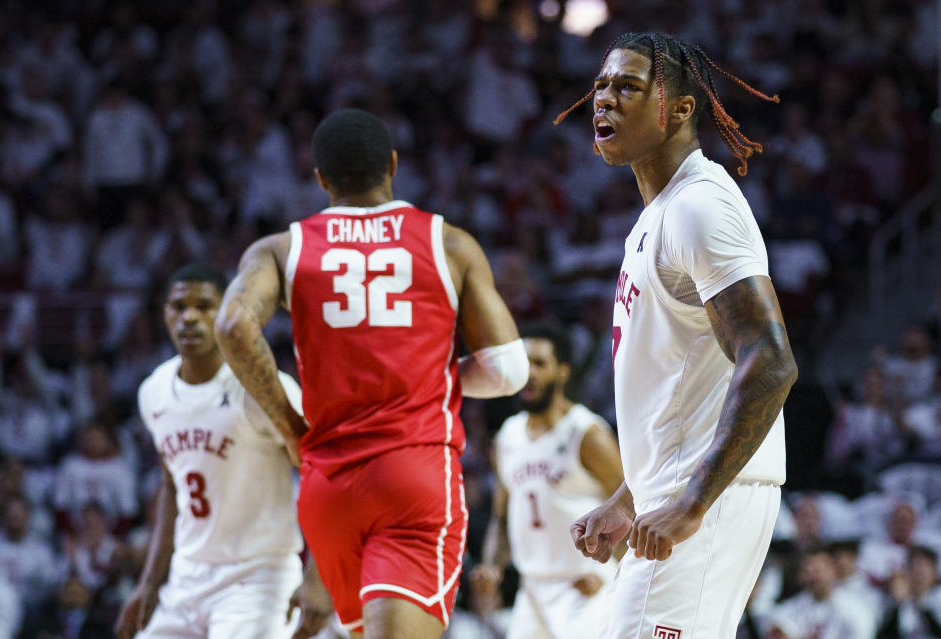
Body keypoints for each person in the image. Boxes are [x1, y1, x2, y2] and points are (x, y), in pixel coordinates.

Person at [215, 108, 528, 639]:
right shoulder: (446, 242)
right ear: (393, 165)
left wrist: (290, 425)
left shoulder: (281, 248)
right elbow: (508, 371)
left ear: (320, 178)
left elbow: (231, 325)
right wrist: (434, 374)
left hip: (327, 485)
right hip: (413, 473)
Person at [558, 32, 799, 637]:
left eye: (627, 88)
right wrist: (626, 498)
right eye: (600, 86)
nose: (604, 101)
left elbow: (770, 361)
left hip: (706, 497)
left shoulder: (700, 207)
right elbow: (678, 385)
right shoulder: (658, 214)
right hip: (677, 492)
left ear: (682, 109)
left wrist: (691, 503)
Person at [114, 263, 305, 639]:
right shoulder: (153, 390)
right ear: (163, 312)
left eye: (204, 306)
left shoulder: (263, 387)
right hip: (187, 577)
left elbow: (321, 474)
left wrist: (321, 576)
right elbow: (172, 486)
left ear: (228, 310)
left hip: (257, 577)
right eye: (179, 306)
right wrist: (150, 582)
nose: (190, 318)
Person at [470, 321, 625, 638]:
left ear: (563, 372)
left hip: (585, 586)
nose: (530, 372)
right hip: (532, 590)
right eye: (525, 364)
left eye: (540, 363)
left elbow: (631, 504)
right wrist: (492, 566)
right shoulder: (507, 437)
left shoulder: (586, 433)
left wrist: (613, 573)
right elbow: (502, 518)